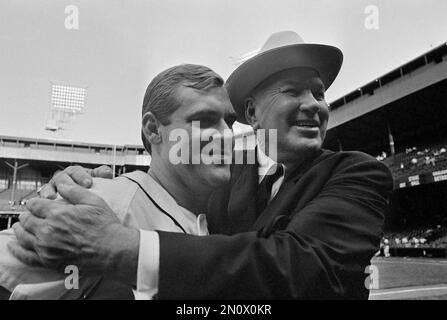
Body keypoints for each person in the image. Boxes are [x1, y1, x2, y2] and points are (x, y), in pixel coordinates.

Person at [10, 31, 393, 299]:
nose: (314, 104)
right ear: (253, 113)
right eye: (292, 91)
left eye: (320, 92)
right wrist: (73, 189)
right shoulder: (219, 183)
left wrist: (120, 247)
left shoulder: (356, 172)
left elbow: (301, 271)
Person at [0, 64, 235, 299]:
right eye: (204, 120)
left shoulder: (215, 221)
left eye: (230, 122)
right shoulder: (101, 199)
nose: (226, 134)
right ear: (153, 129)